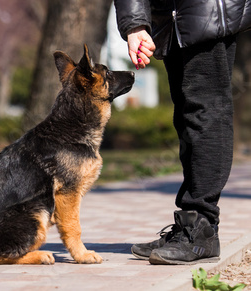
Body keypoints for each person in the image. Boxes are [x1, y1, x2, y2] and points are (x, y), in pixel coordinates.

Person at [114, 0, 251, 265]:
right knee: (187, 118)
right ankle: (191, 224)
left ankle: (202, 227)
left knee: (205, 114)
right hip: (169, 16)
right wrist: (136, 24)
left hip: (207, 9)